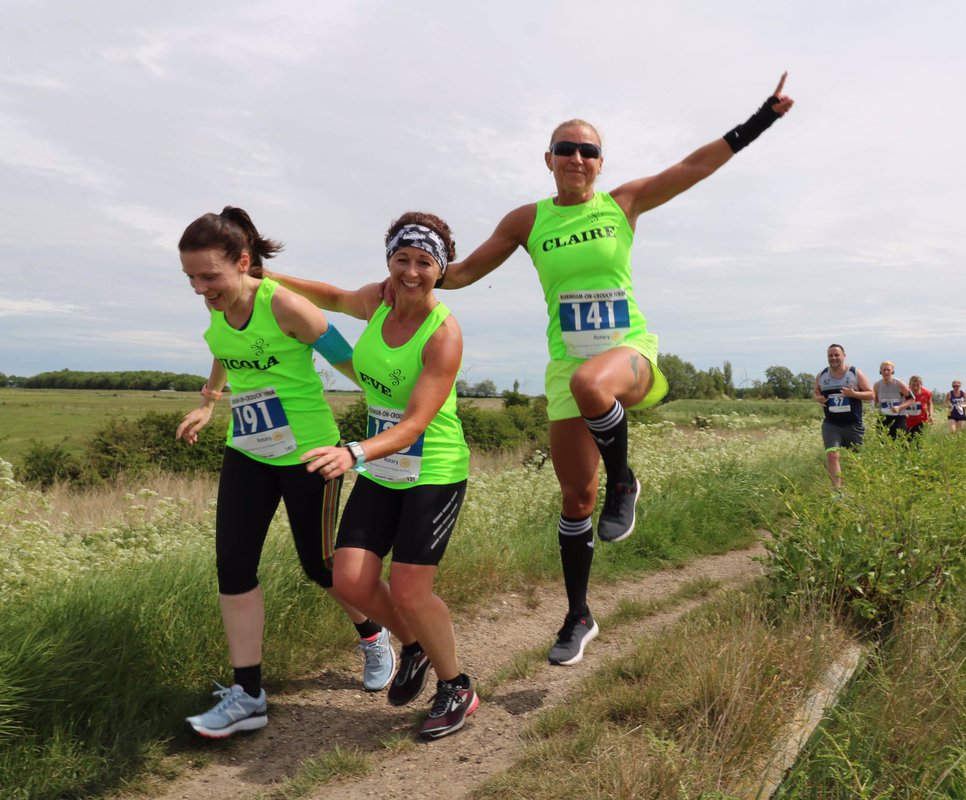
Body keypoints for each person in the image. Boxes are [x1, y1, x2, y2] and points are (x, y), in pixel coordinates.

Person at [429, 74, 795, 666]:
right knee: (576, 498)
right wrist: (415, 269)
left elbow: (695, 166)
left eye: (589, 150)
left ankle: (625, 482)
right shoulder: (528, 220)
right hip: (565, 367)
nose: (578, 157)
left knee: (592, 384)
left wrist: (760, 119)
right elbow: (465, 272)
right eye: (566, 149)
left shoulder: (623, 203)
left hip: (630, 355)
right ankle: (578, 615)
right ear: (548, 159)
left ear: (601, 162)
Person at [175, 207, 395, 739]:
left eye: (210, 276)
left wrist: (405, 410)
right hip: (247, 450)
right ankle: (248, 694)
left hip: (308, 454)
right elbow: (225, 350)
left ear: (244, 263)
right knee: (233, 566)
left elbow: (352, 363)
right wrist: (210, 401)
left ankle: (374, 634)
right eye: (191, 279)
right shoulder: (219, 306)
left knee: (322, 568)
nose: (202, 289)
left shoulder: (287, 306)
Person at [268, 212, 477, 739]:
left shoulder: (443, 335)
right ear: (389, 259)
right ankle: (414, 647)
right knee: (350, 579)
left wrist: (353, 452)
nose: (410, 272)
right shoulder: (377, 298)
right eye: (401, 258)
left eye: (424, 262)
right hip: (383, 467)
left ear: (441, 268)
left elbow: (414, 424)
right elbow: (331, 297)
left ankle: (457, 686)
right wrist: (264, 279)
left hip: (432, 468)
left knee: (409, 589)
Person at [814, 344, 874, 488]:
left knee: (856, 460)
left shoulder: (854, 373)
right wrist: (818, 398)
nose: (833, 358)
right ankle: (837, 492)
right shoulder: (822, 375)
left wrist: (853, 394)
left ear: (844, 356)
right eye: (830, 355)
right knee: (832, 455)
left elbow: (871, 394)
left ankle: (860, 487)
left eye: (836, 355)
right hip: (831, 424)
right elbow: (816, 392)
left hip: (853, 425)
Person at [873, 361, 912, 439]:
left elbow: (911, 399)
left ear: (892, 371)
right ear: (880, 371)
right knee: (882, 443)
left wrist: (899, 407)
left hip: (898, 418)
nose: (886, 372)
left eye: (888, 370)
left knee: (899, 443)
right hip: (883, 418)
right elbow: (876, 401)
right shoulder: (877, 385)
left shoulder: (899, 384)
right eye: (884, 370)